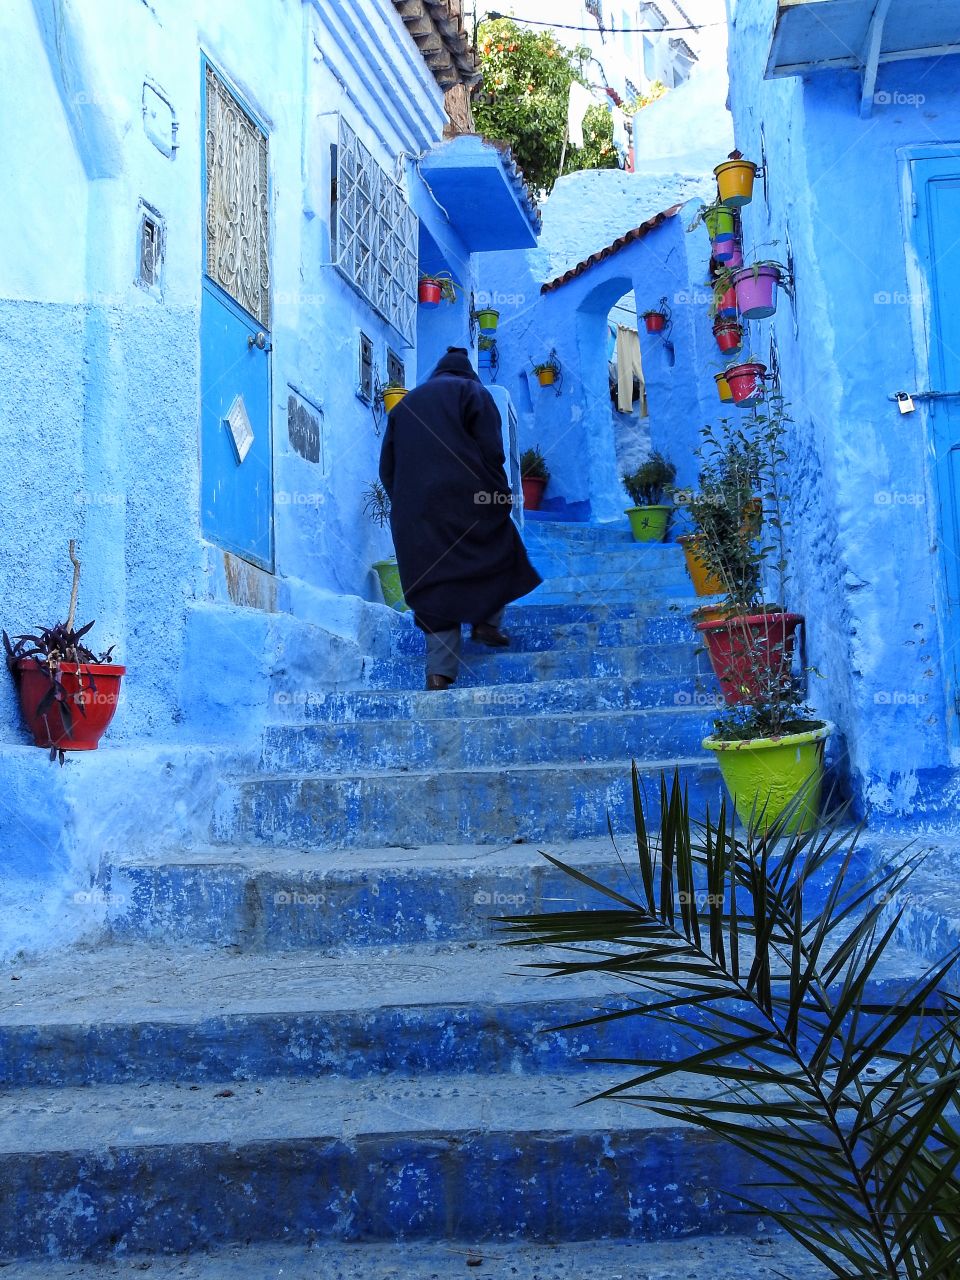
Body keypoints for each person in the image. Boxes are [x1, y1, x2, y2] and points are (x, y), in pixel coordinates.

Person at [379, 347, 542, 689]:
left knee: (434, 578)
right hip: (466, 496)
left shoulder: (405, 404)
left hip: (415, 510)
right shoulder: (473, 392)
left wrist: (407, 506)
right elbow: (492, 451)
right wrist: (498, 494)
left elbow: (387, 468)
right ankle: (487, 622)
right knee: (497, 549)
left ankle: (438, 672)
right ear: (467, 371)